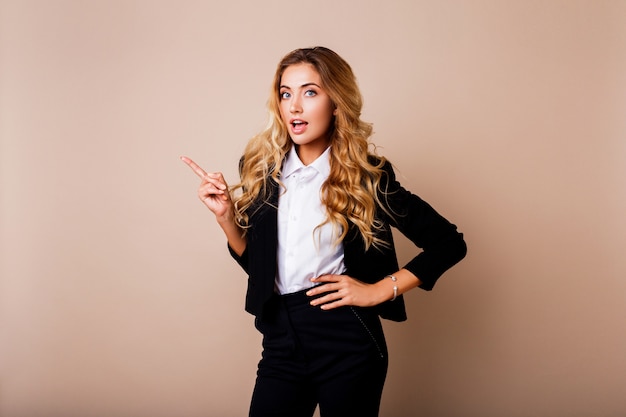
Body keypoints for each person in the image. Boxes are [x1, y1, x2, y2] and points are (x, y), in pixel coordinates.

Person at [181, 46, 466, 417]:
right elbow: (261, 267)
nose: (294, 106)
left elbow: (449, 243)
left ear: (336, 103)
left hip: (346, 338)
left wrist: (381, 290)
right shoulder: (262, 171)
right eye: (286, 94)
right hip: (282, 338)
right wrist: (226, 218)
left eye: (310, 92)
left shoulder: (367, 177)